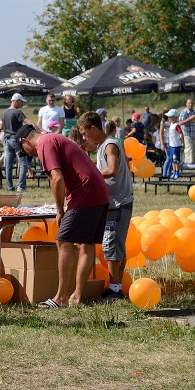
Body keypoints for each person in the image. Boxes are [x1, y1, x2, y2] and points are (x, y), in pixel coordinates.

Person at [16, 124, 109, 308]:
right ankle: (77, 296)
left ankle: (61, 298)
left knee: (63, 240)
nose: (28, 155)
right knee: (86, 244)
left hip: (86, 193)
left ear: (26, 141)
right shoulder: (55, 139)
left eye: (24, 151)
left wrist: (60, 209)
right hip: (100, 192)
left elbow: (57, 178)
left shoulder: (45, 143)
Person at [77, 112, 133, 302]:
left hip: (119, 203)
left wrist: (90, 177)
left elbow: (112, 169)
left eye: (85, 133)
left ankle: (115, 290)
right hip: (116, 202)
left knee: (111, 246)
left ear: (94, 128)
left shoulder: (110, 145)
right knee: (117, 247)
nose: (85, 138)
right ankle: (116, 286)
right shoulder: (103, 145)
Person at [0, 93, 32, 192]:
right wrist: (37, 128)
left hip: (7, 139)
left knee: (8, 165)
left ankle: (9, 187)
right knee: (23, 163)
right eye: (21, 102)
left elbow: (1, 126)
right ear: (16, 101)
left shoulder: (4, 112)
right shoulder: (18, 112)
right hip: (17, 139)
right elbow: (28, 122)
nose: (22, 104)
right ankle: (21, 187)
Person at [178, 98, 195, 165]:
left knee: (193, 150)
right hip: (186, 134)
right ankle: (189, 164)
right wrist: (190, 118)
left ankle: (192, 163)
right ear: (186, 104)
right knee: (189, 149)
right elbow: (180, 122)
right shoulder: (184, 112)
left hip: (193, 134)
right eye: (189, 103)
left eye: (192, 103)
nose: (190, 104)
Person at [164, 109, 184, 179]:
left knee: (176, 160)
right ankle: (174, 172)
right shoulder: (171, 124)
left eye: (170, 117)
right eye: (169, 117)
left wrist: (183, 143)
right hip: (171, 145)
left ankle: (177, 173)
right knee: (172, 160)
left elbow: (181, 133)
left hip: (176, 146)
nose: (169, 118)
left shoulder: (176, 125)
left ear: (175, 117)